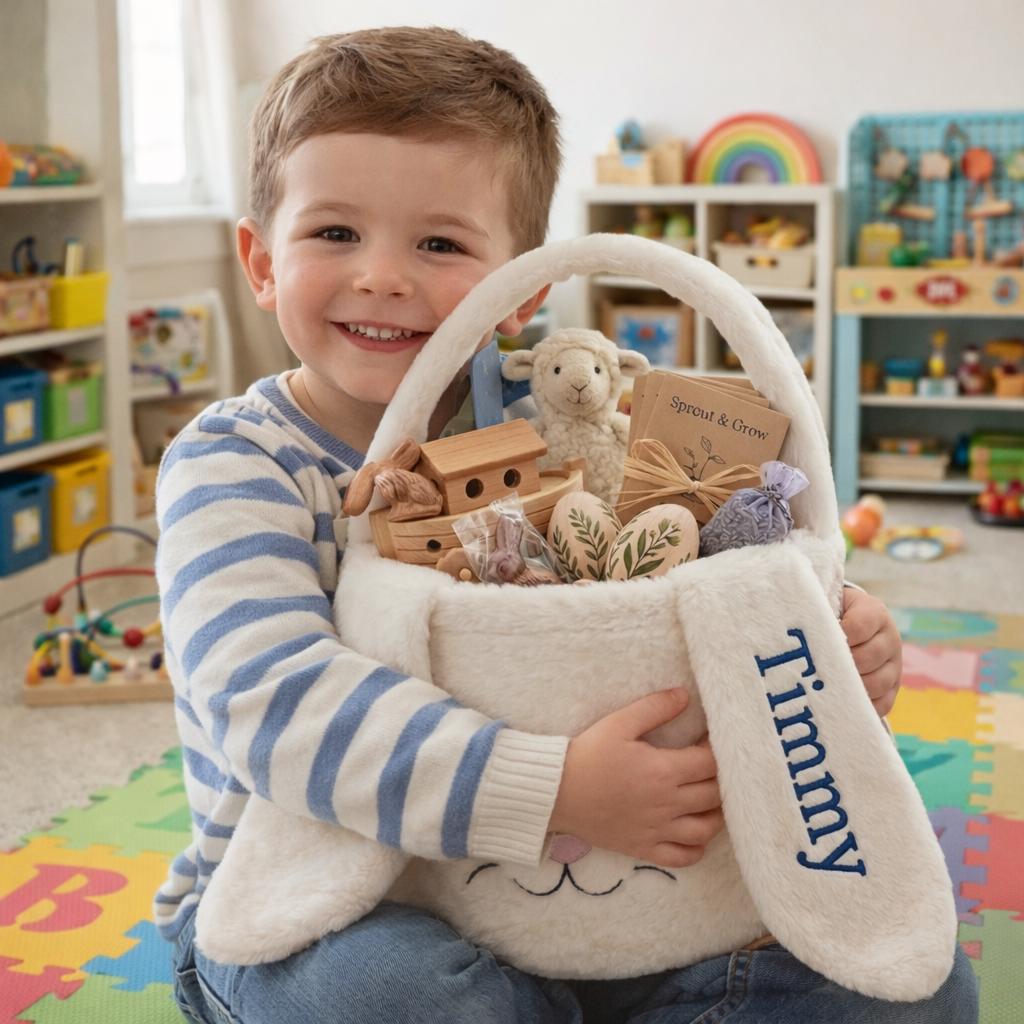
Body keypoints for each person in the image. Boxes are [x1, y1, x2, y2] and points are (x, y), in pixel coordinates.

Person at [159, 26, 976, 1024]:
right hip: (322, 892)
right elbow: (270, 703)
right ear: (259, 259)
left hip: (609, 889)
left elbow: (684, 562)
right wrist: (547, 791)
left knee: (902, 985)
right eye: (334, 233)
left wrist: (831, 643)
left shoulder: (561, 417)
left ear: (526, 284)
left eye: (440, 243)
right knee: (394, 997)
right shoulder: (234, 465)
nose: (381, 275)